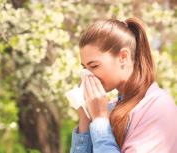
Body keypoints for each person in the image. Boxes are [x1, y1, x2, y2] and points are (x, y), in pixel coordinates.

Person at [70, 17, 177, 153]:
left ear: (123, 57)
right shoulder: (109, 108)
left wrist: (100, 121)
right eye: (85, 68)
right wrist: (85, 118)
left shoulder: (158, 106)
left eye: (94, 66)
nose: (87, 75)